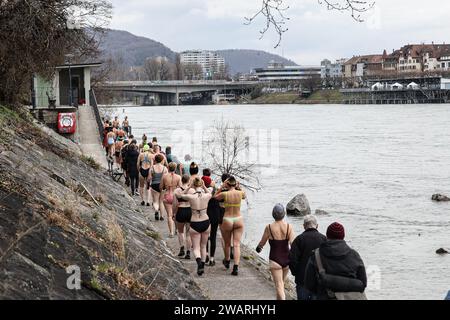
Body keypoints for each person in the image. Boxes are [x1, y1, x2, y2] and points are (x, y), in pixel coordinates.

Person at [304, 222, 367, 300]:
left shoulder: (316, 255)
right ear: (343, 236)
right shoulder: (354, 255)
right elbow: (363, 283)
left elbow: (309, 284)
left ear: (327, 236)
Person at [256, 204, 295, 300]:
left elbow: (262, 242)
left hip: (275, 260)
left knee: (279, 285)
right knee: (281, 284)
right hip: (287, 259)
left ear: (273, 214)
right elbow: (293, 244)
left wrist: (259, 248)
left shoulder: (269, 227)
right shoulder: (289, 227)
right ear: (284, 214)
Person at [289, 215, 327, 300]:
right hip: (319, 281)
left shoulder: (299, 240)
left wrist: (296, 273)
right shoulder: (324, 239)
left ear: (304, 226)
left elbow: (292, 259)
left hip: (302, 280)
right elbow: (328, 260)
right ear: (317, 226)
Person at [214, 176, 246, 276]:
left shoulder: (224, 194)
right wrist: (239, 187)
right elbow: (244, 195)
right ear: (235, 184)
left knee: (227, 243)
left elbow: (214, 197)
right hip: (238, 219)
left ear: (227, 184)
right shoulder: (240, 193)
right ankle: (236, 267)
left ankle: (227, 261)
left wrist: (221, 187)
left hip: (227, 219)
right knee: (236, 244)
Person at [180, 177, 212, 276]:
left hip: (195, 222)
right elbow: (210, 193)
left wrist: (189, 187)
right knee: (203, 246)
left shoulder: (190, 196)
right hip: (205, 221)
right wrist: (204, 186)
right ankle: (202, 263)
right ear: (201, 184)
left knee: (196, 247)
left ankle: (199, 263)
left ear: (193, 185)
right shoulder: (206, 195)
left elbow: (181, 195)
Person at [173, 174, 193, 260]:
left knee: (180, 232)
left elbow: (175, 204)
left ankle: (182, 248)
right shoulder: (192, 190)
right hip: (189, 211)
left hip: (181, 211)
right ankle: (188, 252)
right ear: (189, 181)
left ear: (181, 180)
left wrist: (174, 213)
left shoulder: (177, 190)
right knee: (188, 234)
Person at [161, 162, 181, 237]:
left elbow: (160, 187)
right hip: (175, 196)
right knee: (175, 214)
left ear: (168, 168)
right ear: (175, 168)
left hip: (167, 195)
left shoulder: (164, 176)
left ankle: (171, 232)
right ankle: (176, 229)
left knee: (169, 215)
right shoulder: (178, 177)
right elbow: (181, 187)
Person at [204, 172, 220, 266]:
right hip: (215, 215)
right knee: (213, 236)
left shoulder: (202, 192)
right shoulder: (216, 191)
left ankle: (205, 254)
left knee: (205, 235)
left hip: (206, 215)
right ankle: (212, 259)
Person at [150, 154, 168, 221]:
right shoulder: (165, 168)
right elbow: (166, 178)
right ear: (162, 160)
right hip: (162, 185)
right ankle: (162, 216)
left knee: (155, 201)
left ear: (155, 160)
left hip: (154, 185)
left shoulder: (152, 167)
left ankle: (156, 211)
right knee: (161, 201)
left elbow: (149, 178)